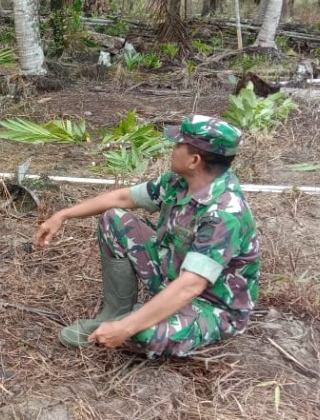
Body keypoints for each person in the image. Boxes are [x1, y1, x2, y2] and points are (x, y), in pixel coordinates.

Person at [34, 116, 260, 357]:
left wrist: (126, 328)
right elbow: (123, 199)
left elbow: (190, 287)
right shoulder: (178, 182)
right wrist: (63, 215)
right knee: (114, 219)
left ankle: (130, 321)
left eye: (177, 145)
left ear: (194, 160)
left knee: (142, 334)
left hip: (210, 305)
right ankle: (115, 313)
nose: (171, 150)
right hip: (172, 274)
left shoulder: (224, 214)